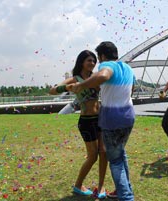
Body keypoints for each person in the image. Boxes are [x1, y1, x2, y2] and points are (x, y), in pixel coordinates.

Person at [70, 41, 135, 201]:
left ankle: (126, 197)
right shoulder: (127, 68)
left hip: (112, 120)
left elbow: (104, 75)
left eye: (98, 59)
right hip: (128, 117)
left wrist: (81, 85)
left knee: (115, 161)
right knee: (121, 154)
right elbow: (131, 89)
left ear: (103, 56)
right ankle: (124, 190)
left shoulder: (107, 66)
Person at [49, 50, 107, 199]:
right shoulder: (75, 78)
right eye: (89, 60)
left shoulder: (96, 77)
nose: (92, 63)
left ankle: (101, 186)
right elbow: (52, 90)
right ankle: (78, 185)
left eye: (94, 61)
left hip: (100, 119)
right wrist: (66, 87)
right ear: (81, 62)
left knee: (104, 152)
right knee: (93, 156)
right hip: (86, 121)